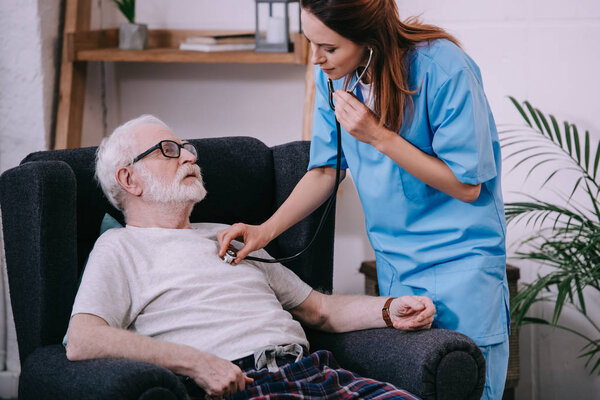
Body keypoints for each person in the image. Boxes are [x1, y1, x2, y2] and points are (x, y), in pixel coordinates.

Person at [216, 1, 509, 399]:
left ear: (368, 36)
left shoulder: (443, 68)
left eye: (330, 48)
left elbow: (465, 184)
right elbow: (325, 170)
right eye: (310, 43)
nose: (317, 59)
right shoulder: (334, 78)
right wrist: (263, 232)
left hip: (461, 266)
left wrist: (377, 135)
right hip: (396, 268)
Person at [66, 114, 435, 400]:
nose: (191, 156)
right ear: (130, 180)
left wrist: (390, 310)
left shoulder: (231, 233)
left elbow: (319, 309)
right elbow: (83, 339)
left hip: (316, 373)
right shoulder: (120, 247)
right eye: (169, 150)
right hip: (241, 385)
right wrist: (197, 363)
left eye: (187, 147)